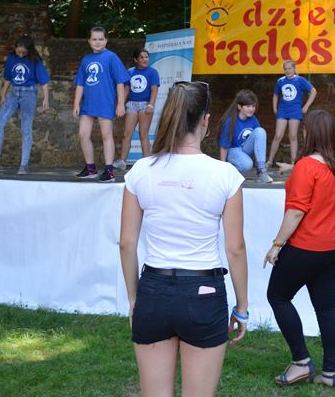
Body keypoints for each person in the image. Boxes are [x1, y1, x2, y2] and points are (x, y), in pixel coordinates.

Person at [119, 80, 249, 397]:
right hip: (204, 291)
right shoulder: (225, 175)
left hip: (153, 288)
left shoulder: (141, 171)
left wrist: (134, 298)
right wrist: (242, 306)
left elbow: (126, 243)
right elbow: (235, 248)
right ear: (205, 120)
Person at [264, 111, 335, 388]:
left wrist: (276, 245)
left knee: (277, 296)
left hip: (308, 246)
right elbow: (319, 178)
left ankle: (301, 362)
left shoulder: (306, 167)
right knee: (326, 307)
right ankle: (330, 373)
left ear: (309, 133)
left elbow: (296, 212)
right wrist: (294, 169)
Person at [0, 34, 50, 175]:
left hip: (28, 95)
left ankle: (24, 165)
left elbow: (44, 82)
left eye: (24, 52)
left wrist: (46, 99)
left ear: (29, 50)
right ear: (15, 48)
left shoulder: (35, 60)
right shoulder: (11, 58)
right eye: (19, 52)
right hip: (14, 94)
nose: (21, 55)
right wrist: (3, 94)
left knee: (26, 128)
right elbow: (8, 78)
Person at [73, 26, 129, 183]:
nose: (97, 42)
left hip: (105, 102)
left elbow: (120, 82)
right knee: (83, 134)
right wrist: (76, 103)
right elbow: (80, 83)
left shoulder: (111, 57)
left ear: (106, 40)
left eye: (101, 39)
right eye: (94, 39)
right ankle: (90, 168)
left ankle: (109, 171)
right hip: (88, 103)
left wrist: (120, 104)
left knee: (106, 135)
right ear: (89, 41)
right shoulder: (86, 59)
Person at [114, 49, 160, 170]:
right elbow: (126, 89)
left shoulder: (152, 72)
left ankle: (147, 162)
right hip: (132, 105)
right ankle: (122, 161)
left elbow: (154, 90)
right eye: (142, 57)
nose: (145, 60)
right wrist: (120, 104)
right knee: (127, 133)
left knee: (143, 134)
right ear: (136, 60)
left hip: (145, 105)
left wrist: (151, 105)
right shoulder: (130, 72)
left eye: (146, 57)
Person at [268, 60, 317, 170]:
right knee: (278, 135)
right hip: (282, 110)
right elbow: (275, 95)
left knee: (293, 136)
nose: (287, 71)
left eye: (290, 68)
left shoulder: (300, 80)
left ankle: (293, 162)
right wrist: (275, 108)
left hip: (295, 110)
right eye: (285, 69)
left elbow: (313, 91)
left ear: (294, 69)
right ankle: (269, 161)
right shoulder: (280, 81)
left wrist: (306, 106)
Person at [218, 89, 273, 183]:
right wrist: (223, 167)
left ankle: (261, 171)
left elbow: (259, 142)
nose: (251, 109)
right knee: (247, 165)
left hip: (245, 150)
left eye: (253, 106)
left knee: (260, 131)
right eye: (248, 106)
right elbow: (224, 146)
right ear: (239, 106)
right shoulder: (230, 121)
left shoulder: (253, 119)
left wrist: (260, 162)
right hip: (233, 151)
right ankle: (230, 171)